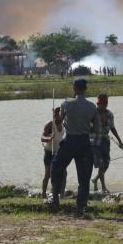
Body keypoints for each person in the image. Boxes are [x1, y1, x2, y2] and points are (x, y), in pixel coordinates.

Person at [49, 77, 99, 215]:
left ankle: (55, 198)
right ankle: (81, 205)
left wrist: (56, 118)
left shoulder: (66, 104)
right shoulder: (92, 107)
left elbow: (59, 126)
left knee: (56, 167)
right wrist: (86, 126)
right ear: (85, 89)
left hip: (70, 141)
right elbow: (96, 130)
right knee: (84, 177)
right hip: (84, 143)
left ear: (74, 89)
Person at [91, 94, 123, 194]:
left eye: (106, 103)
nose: (104, 105)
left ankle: (96, 179)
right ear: (98, 103)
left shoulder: (110, 114)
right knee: (101, 164)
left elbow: (112, 128)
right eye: (102, 103)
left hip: (105, 141)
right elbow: (88, 126)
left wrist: (120, 140)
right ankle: (104, 188)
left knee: (106, 164)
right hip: (94, 142)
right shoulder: (93, 113)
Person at [41, 107, 65, 198]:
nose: (56, 116)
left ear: (62, 115)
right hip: (49, 152)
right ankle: (43, 193)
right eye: (54, 114)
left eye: (58, 114)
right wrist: (49, 138)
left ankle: (62, 194)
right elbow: (42, 137)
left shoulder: (64, 125)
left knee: (64, 173)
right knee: (48, 174)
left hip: (58, 152)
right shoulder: (50, 125)